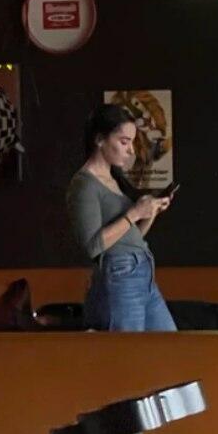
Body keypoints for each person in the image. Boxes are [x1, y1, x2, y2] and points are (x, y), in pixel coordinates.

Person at [66, 103, 177, 331]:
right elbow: (92, 246)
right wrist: (134, 213)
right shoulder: (84, 185)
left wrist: (150, 213)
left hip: (143, 271)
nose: (131, 151)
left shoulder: (114, 179)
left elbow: (130, 237)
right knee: (128, 349)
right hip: (120, 274)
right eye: (124, 142)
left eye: (132, 143)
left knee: (169, 345)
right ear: (100, 139)